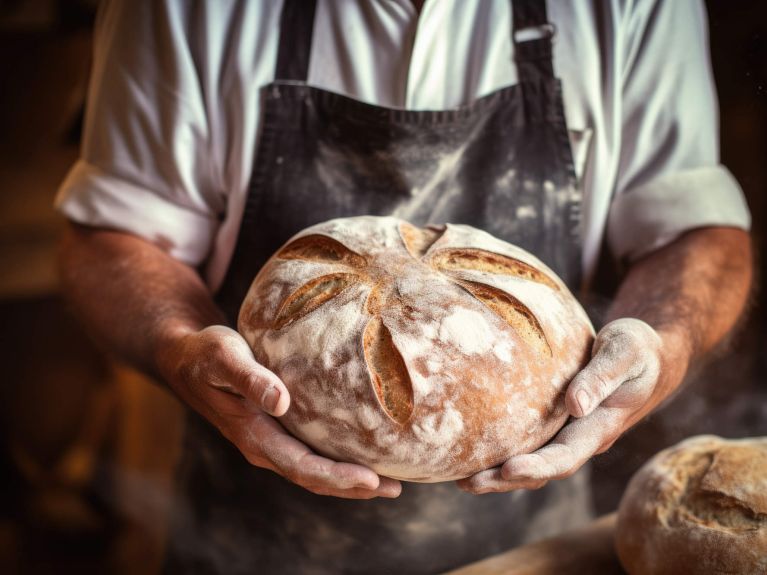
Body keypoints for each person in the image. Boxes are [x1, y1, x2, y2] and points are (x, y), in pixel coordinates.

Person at [56, 0, 753, 573]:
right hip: (250, 533)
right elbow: (112, 233)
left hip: (530, 546)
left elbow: (692, 230)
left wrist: (657, 342)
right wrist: (181, 346)